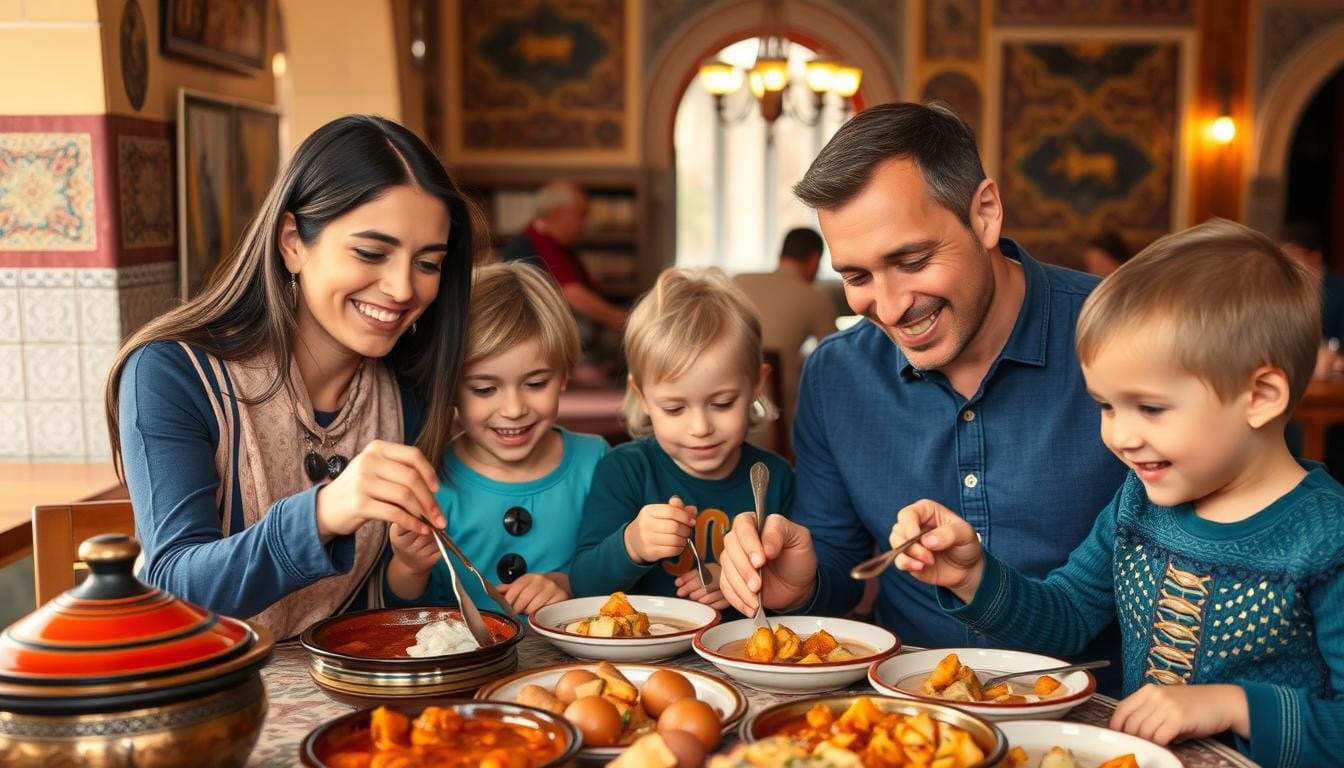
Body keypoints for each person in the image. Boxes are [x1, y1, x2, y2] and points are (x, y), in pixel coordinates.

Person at [891, 219, 1344, 767]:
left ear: (1261, 396)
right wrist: (973, 578)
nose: (1120, 437)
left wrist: (1236, 706)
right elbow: (1067, 618)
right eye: (1106, 406)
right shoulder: (1138, 503)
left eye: (1150, 408)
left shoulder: (1327, 537)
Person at [716, 102, 1127, 687]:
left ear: (984, 214)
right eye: (856, 277)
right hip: (904, 711)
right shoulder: (837, 375)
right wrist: (802, 581)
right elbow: (837, 558)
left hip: (1097, 713)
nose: (888, 308)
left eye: (911, 261)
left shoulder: (1121, 336)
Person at [106, 115, 480, 640]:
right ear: (292, 243)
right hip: (199, 699)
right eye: (371, 253)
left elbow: (361, 614)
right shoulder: (171, 373)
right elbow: (172, 589)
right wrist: (326, 510)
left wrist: (406, 573)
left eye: (428, 263)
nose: (400, 287)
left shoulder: (407, 394)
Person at [389, 262, 609, 615]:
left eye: (536, 384)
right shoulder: (429, 479)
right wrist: (409, 565)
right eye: (485, 388)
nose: (512, 409)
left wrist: (566, 585)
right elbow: (404, 606)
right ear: (449, 388)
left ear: (565, 375)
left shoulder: (596, 462)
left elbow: (618, 569)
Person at [569, 268, 794, 609]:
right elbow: (583, 587)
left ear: (756, 385)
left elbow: (798, 589)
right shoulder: (625, 470)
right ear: (641, 396)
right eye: (675, 409)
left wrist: (745, 582)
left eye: (722, 403)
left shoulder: (774, 477)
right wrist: (631, 544)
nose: (700, 427)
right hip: (642, 656)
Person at [734, 227, 837, 456]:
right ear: (814, 261)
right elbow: (836, 356)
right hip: (774, 421)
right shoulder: (814, 297)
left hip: (721, 403)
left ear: (781, 253)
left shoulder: (738, 281)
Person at [502, 180, 628, 331]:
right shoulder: (531, 244)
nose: (585, 223)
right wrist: (621, 319)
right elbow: (573, 295)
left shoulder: (557, 243)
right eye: (581, 215)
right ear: (558, 214)